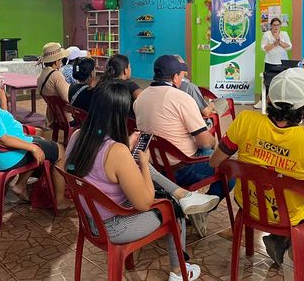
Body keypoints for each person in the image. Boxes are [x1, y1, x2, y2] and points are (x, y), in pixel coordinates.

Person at [66, 81, 221, 281]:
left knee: (138, 163)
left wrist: (126, 147)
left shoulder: (78, 136)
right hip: (114, 226)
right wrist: (144, 163)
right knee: (173, 208)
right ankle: (178, 271)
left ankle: (183, 194)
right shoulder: (116, 152)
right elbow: (144, 203)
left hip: (90, 218)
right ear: (121, 114)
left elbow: (98, 163)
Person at [209, 68, 304, 270]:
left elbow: (215, 162)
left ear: (268, 99)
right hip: (287, 216)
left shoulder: (245, 120)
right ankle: (284, 239)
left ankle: (279, 240)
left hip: (248, 204)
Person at [133, 55, 228, 237]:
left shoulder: (140, 98)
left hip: (153, 168)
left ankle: (189, 202)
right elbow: (204, 141)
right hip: (182, 168)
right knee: (228, 168)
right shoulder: (181, 98)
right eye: (182, 74)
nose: (183, 78)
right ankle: (203, 210)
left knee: (205, 150)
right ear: (175, 77)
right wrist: (214, 142)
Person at [0, 70, 71, 208]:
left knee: (39, 139)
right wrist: (33, 147)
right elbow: (3, 139)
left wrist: (3, 101)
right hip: (7, 155)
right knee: (59, 150)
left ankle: (21, 184)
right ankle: (59, 201)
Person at [255, 17, 292, 109]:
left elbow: (289, 46)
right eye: (274, 25)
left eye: (278, 25)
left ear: (280, 26)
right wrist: (274, 44)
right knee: (267, 82)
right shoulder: (267, 34)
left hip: (283, 62)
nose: (276, 27)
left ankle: (282, 102)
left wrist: (280, 43)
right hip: (270, 61)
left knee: (283, 82)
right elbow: (264, 48)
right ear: (271, 26)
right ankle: (262, 101)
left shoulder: (284, 34)